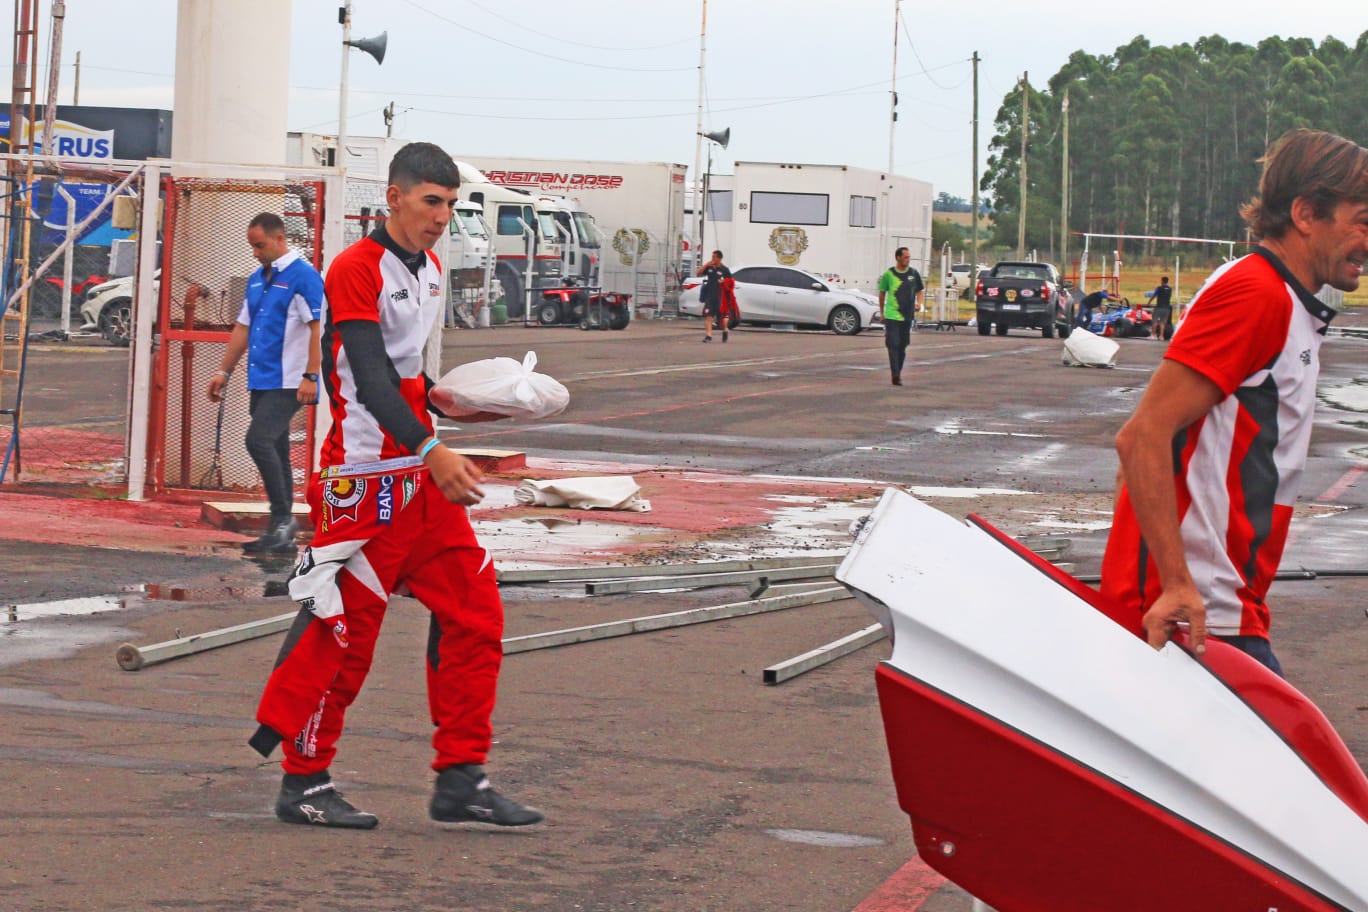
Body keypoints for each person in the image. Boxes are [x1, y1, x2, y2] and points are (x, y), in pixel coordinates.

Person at [247, 142, 542, 829]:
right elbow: (370, 377)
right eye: (431, 202)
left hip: (419, 479)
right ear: (396, 197)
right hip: (364, 485)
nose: (441, 216)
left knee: (477, 617)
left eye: (451, 204)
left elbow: (408, 383)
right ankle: (304, 782)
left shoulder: (432, 270)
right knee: (343, 635)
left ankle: (461, 777)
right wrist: (432, 446)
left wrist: (463, 402)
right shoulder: (354, 268)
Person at [1100, 129, 1368, 675]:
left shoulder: (1284, 301)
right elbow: (1141, 437)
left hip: (1216, 614)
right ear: (1305, 213)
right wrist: (1170, 583)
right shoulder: (1256, 294)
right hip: (1199, 622)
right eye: (1362, 219)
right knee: (1286, 758)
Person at [207, 213, 323, 553]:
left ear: (279, 239)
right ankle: (281, 529)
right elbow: (243, 327)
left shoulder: (303, 277)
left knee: (258, 440)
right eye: (252, 247)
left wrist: (311, 375)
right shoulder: (258, 279)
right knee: (277, 447)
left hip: (289, 380)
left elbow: (319, 326)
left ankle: (281, 519)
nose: (255, 253)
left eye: (260, 246)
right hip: (262, 377)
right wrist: (223, 372)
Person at [877, 247, 924, 386]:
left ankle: (898, 370)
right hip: (892, 315)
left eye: (909, 257)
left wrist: (919, 304)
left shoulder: (913, 274)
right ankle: (895, 374)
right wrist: (882, 313)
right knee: (893, 344)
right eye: (905, 257)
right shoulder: (889, 274)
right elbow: (882, 293)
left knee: (902, 345)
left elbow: (920, 291)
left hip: (907, 315)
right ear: (898, 257)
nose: (907, 260)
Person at [697, 250, 732, 342]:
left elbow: (731, 282)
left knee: (723, 319)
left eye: (714, 257)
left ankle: (725, 330)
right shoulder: (709, 268)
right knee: (709, 316)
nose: (712, 259)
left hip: (720, 297)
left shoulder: (724, 269)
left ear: (719, 258)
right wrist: (706, 264)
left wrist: (724, 282)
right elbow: (698, 273)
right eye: (712, 257)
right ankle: (708, 336)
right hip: (710, 296)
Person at [1147, 276, 1174, 340]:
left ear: (1162, 281)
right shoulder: (1170, 289)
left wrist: (1149, 302)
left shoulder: (1159, 288)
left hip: (1159, 307)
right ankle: (1161, 336)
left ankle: (1153, 335)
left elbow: (1154, 295)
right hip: (1167, 308)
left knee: (1155, 321)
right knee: (1162, 322)